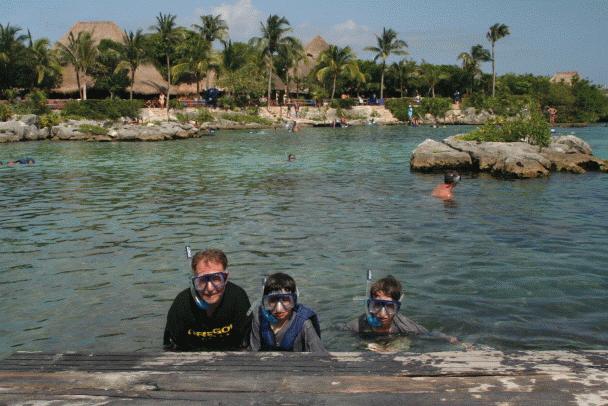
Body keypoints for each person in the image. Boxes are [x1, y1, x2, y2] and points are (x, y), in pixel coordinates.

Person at [163, 248, 252, 351]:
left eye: (216, 278)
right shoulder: (182, 304)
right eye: (202, 280)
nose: (209, 288)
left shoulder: (237, 298)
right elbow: (170, 346)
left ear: (226, 278)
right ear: (193, 281)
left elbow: (245, 343)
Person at [343, 276, 458, 352]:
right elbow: (338, 331)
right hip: (370, 343)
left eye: (389, 307)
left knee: (404, 342)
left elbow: (430, 334)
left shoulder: (405, 325)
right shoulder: (358, 325)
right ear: (369, 306)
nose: (382, 314)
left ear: (397, 308)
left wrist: (450, 339)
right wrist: (363, 344)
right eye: (377, 305)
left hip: (395, 342)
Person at [248, 273, 325, 352]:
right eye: (273, 300)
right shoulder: (259, 319)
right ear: (265, 302)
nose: (279, 309)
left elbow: (319, 356)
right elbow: (253, 353)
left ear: (294, 301)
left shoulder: (304, 324)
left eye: (285, 300)